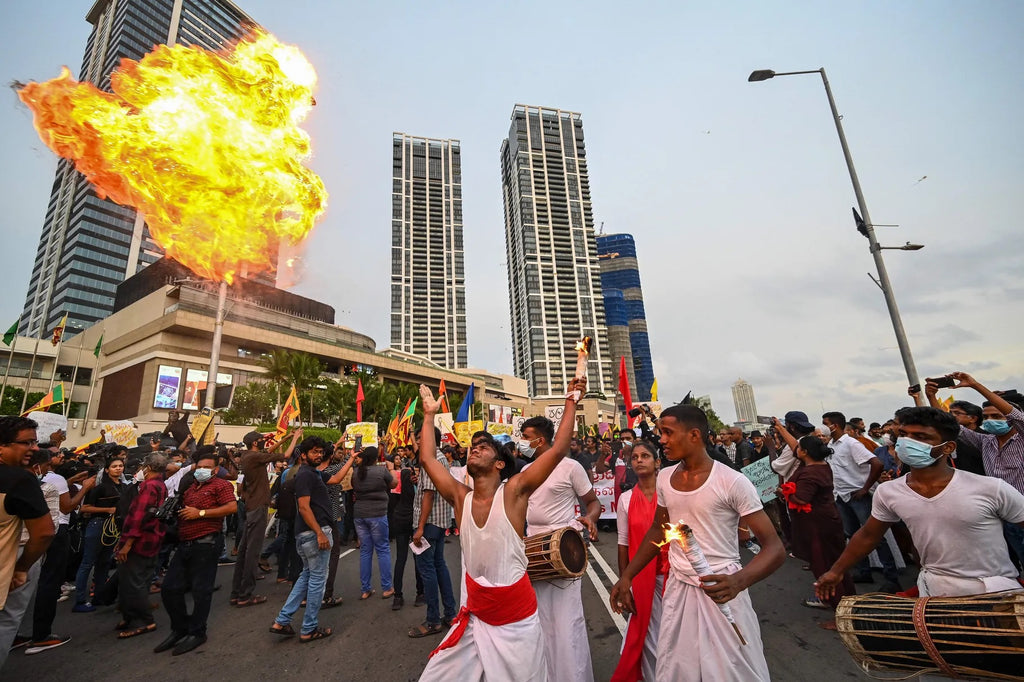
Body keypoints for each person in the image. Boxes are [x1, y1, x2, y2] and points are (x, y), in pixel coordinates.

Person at [416, 378, 583, 681]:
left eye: (483, 448)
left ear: (499, 465)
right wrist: (429, 416)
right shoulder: (460, 497)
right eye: (472, 447)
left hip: (515, 623)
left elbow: (558, 448)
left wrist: (571, 399)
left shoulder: (514, 492)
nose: (474, 450)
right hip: (476, 616)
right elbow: (427, 458)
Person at [610, 404, 785, 682]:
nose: (662, 440)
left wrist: (739, 581)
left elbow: (775, 548)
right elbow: (659, 530)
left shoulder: (732, 482)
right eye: (659, 433)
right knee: (679, 668)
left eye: (667, 433)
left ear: (694, 435)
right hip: (678, 590)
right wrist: (627, 576)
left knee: (733, 671)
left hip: (722, 588)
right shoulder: (665, 478)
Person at [817, 407, 1024, 600]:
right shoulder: (889, 491)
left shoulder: (990, 488)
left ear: (948, 447)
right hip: (934, 590)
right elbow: (868, 535)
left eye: (921, 437)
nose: (908, 442)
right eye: (905, 435)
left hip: (995, 591)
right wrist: (836, 571)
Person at [520, 414, 601, 682]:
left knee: (566, 622)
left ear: (540, 440)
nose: (522, 443)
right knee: (538, 621)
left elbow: (593, 502)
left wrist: (589, 519)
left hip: (563, 550)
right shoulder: (525, 472)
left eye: (526, 437)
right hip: (532, 549)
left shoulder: (571, 468)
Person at [156, 449, 237, 655]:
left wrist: (200, 513)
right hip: (185, 543)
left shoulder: (221, 485)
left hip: (207, 543)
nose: (202, 471)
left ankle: (198, 631)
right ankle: (180, 628)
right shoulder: (190, 488)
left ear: (216, 470)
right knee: (170, 589)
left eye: (207, 468)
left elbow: (231, 507)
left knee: (202, 590)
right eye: (199, 468)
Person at [941, 372, 1024, 565]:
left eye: (996, 416)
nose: (989, 420)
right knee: (1009, 564)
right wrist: (929, 397)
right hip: (1001, 516)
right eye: (986, 416)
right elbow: (951, 426)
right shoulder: (985, 442)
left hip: (1022, 515)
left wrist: (975, 385)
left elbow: (1014, 414)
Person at [822, 411, 901, 592]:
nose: (824, 427)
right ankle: (863, 570)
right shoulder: (832, 445)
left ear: (835, 425)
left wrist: (865, 488)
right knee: (853, 535)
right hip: (842, 496)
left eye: (826, 423)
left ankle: (892, 578)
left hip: (858, 495)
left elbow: (877, 464)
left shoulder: (851, 443)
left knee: (875, 537)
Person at [0, 417, 55, 667]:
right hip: (5, 573)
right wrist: (22, 568)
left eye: (35, 442)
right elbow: (44, 533)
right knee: (8, 619)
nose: (34, 448)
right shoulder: (20, 480)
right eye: (26, 442)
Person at [269, 437, 335, 642]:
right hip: (313, 533)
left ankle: (282, 620)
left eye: (321, 452)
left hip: (307, 533)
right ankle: (309, 628)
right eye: (314, 452)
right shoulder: (306, 475)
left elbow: (335, 478)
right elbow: (304, 507)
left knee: (307, 576)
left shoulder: (312, 473)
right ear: (304, 455)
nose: (319, 455)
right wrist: (319, 532)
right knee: (317, 580)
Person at [611, 441, 667, 682]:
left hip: (673, 575)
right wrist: (626, 582)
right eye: (634, 457)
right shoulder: (624, 500)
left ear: (657, 462)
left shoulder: (671, 493)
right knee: (650, 635)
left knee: (676, 632)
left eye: (645, 456)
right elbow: (623, 543)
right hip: (642, 577)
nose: (639, 460)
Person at [784, 436, 855, 623]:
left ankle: (843, 617)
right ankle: (848, 606)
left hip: (817, 526)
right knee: (836, 565)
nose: (796, 449)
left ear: (805, 452)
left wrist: (786, 492)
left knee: (824, 567)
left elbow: (801, 498)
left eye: (799, 447)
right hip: (827, 521)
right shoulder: (819, 466)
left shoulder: (811, 472)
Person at [230, 430, 293, 609]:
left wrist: (286, 438)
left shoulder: (248, 455)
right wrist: (295, 439)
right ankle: (245, 594)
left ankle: (237, 593)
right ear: (256, 443)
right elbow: (286, 455)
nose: (265, 443)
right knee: (252, 552)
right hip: (257, 507)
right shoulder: (253, 458)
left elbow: (268, 452)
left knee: (244, 550)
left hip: (252, 505)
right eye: (262, 441)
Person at [115, 452, 169, 639]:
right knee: (141, 580)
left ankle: (143, 620)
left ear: (149, 467)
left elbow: (138, 517)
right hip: (152, 540)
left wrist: (127, 544)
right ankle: (130, 616)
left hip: (139, 542)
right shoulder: (161, 485)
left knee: (133, 583)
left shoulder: (149, 487)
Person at [409, 429, 456, 636]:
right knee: (439, 566)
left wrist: (420, 527)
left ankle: (433, 620)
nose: (417, 442)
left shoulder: (431, 460)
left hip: (429, 523)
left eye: (420, 439)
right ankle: (449, 613)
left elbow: (429, 494)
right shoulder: (439, 458)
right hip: (438, 521)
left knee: (427, 569)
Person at [73, 455, 125, 612]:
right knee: (87, 563)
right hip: (98, 525)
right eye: (114, 466)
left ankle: (99, 596)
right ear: (107, 470)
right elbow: (84, 508)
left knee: (104, 563)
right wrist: (107, 510)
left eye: (120, 465)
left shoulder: (123, 486)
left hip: (113, 528)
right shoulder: (99, 487)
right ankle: (80, 600)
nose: (118, 468)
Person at [351, 446, 396, 600]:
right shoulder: (381, 471)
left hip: (360, 514)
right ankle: (387, 587)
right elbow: (394, 484)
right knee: (382, 549)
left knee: (365, 551)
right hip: (377, 514)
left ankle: (365, 589)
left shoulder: (356, 472)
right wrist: (391, 470)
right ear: (376, 458)